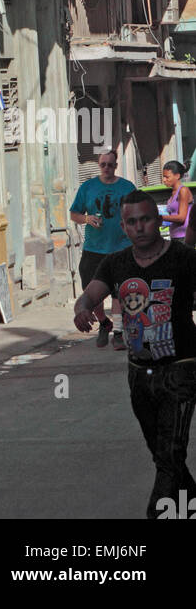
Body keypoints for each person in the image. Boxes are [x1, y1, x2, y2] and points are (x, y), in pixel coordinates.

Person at [74, 191, 196, 518]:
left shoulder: (185, 259)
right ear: (124, 227)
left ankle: (159, 513)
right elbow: (88, 297)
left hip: (180, 369)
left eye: (145, 219)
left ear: (158, 222)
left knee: (170, 454)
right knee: (163, 455)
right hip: (139, 374)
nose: (139, 227)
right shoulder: (115, 264)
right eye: (132, 222)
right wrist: (83, 310)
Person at [69, 149, 135, 350]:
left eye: (110, 164)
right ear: (99, 165)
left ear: (116, 166)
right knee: (90, 290)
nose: (106, 168)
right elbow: (74, 214)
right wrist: (87, 219)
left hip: (121, 248)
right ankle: (103, 322)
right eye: (103, 164)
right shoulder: (88, 187)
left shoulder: (127, 187)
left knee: (118, 292)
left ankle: (117, 332)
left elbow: (137, 210)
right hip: (94, 249)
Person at [160, 161, 193, 240]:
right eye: (163, 177)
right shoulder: (173, 193)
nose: (164, 180)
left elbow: (181, 218)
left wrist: (160, 217)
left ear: (177, 176)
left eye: (167, 177)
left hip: (184, 237)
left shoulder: (183, 190)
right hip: (175, 236)